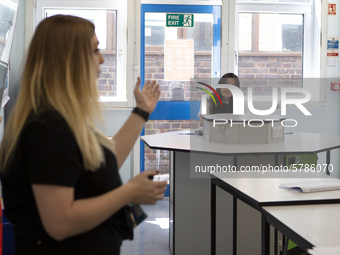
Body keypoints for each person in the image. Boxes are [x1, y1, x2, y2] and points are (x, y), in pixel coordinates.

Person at [0, 15, 167, 255]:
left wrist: (141, 112)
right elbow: (59, 223)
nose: (101, 58)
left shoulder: (62, 117)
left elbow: (103, 163)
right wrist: (127, 193)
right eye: (95, 50)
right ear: (68, 60)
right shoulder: (48, 129)